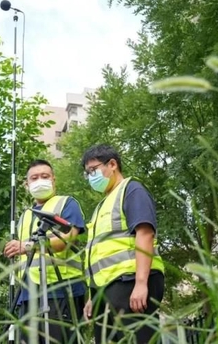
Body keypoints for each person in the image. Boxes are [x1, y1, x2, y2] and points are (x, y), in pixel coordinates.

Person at [81, 144, 165, 343]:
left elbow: (144, 234)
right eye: (87, 173)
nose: (91, 176)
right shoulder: (102, 205)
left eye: (94, 169)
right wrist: (94, 296)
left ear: (112, 164)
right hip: (106, 291)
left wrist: (141, 283)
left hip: (129, 284)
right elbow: (99, 255)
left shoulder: (131, 190)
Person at [4, 159, 86, 344]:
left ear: (54, 180)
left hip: (60, 291)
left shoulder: (66, 204)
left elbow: (67, 240)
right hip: (27, 294)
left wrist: (26, 246)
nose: (40, 180)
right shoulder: (25, 216)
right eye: (34, 178)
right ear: (27, 184)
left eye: (45, 176)